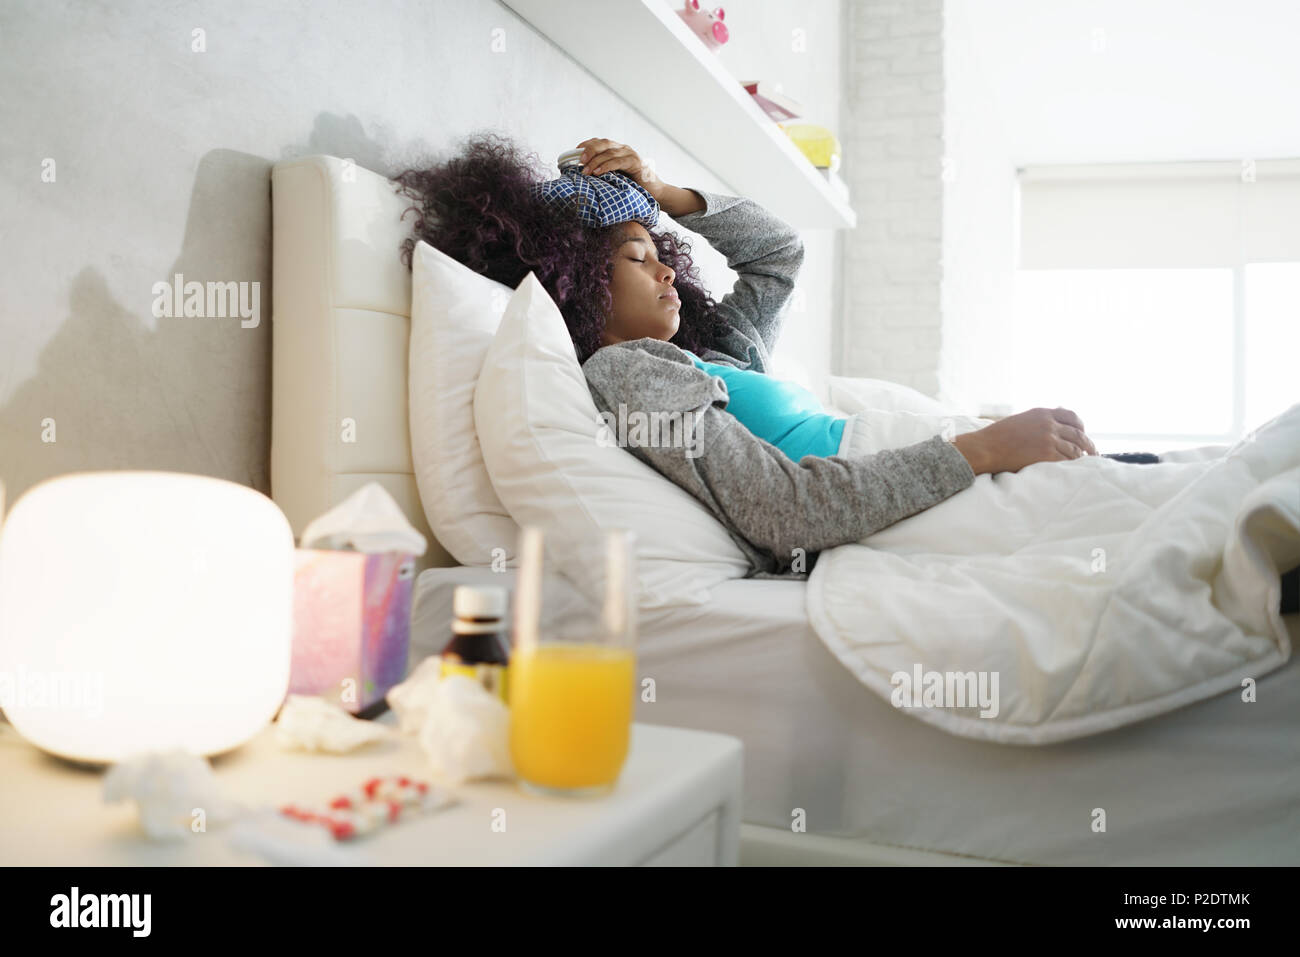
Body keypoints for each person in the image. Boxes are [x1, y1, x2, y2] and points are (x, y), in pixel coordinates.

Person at [395, 133, 1104, 576]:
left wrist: (664, 195)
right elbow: (782, 511)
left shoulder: (714, 355)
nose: (669, 269)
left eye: (660, 252)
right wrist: (981, 449)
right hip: (939, 479)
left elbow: (778, 256)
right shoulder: (626, 374)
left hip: (938, 463)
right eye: (638, 257)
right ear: (577, 283)